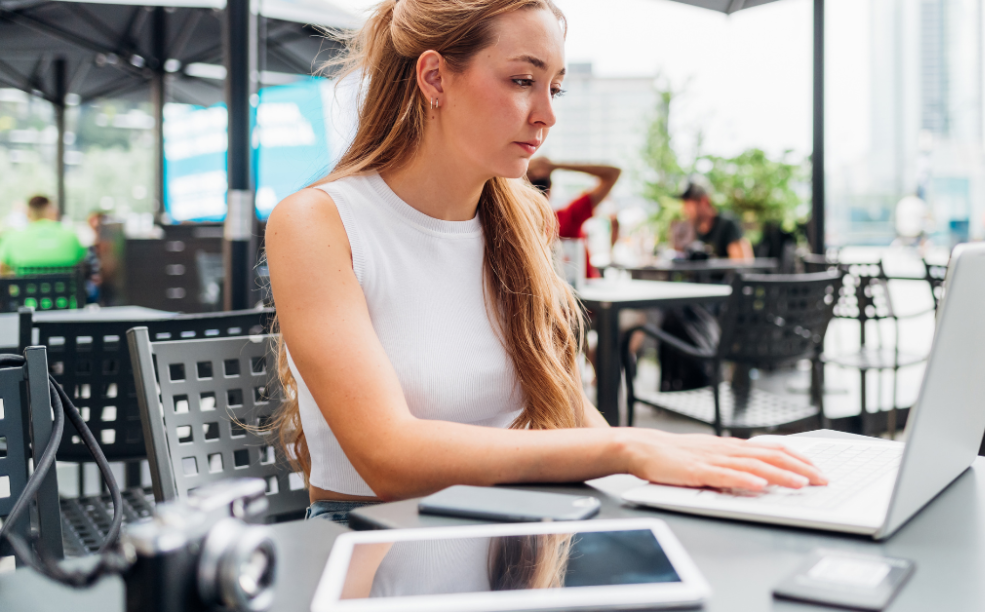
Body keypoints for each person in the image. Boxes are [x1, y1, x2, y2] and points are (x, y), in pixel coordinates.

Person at [265, 0, 825, 525]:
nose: (547, 114)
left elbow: (573, 411)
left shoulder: (520, 222)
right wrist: (628, 447)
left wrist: (681, 481)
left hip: (512, 531)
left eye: (555, 87)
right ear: (434, 78)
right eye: (523, 81)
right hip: (370, 542)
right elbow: (388, 458)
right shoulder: (317, 222)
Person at [526, 156, 620, 277]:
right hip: (582, 291)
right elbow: (612, 173)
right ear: (551, 187)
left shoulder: (518, 226)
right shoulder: (566, 217)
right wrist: (555, 166)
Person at [0, 195, 86, 274]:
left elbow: (2, 268)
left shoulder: (13, 237)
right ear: (51, 211)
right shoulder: (70, 235)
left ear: (28, 213)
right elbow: (82, 261)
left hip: (25, 290)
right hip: (67, 290)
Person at [678, 181, 753, 260]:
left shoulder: (727, 224)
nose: (685, 209)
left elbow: (741, 263)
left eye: (688, 203)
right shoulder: (696, 228)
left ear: (704, 201)